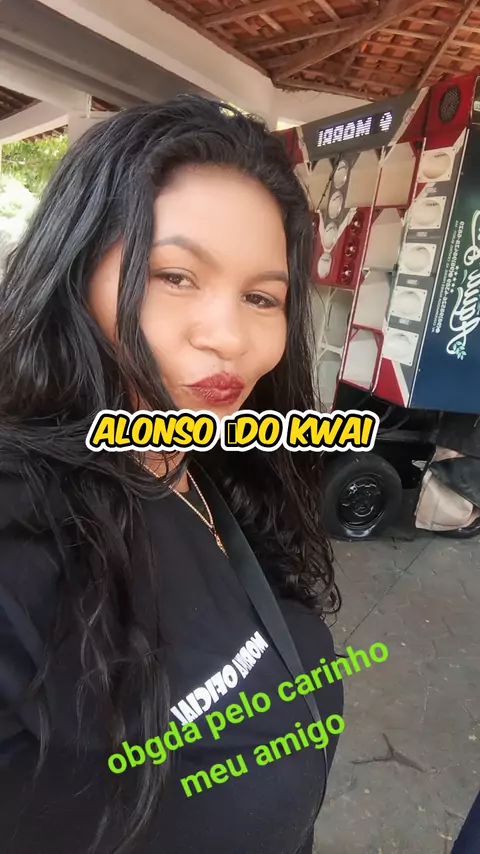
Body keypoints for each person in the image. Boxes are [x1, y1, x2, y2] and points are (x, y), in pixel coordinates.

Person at [0, 95, 343, 854]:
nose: (230, 337)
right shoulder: (25, 512)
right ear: (74, 271)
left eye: (261, 296)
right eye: (177, 276)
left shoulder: (218, 464)